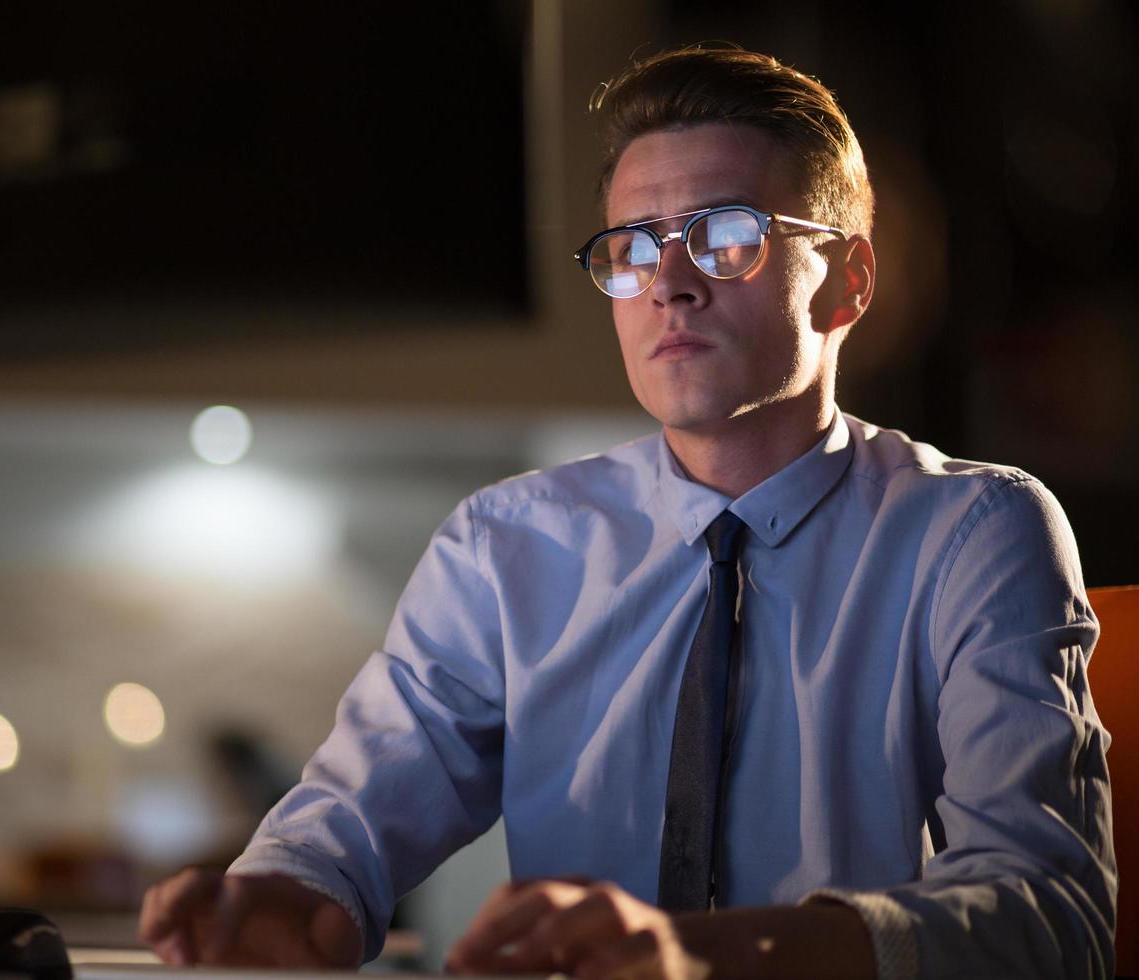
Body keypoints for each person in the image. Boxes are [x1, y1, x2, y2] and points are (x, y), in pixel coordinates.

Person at [138, 45, 1115, 979]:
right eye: (633, 248)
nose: (671, 284)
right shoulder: (503, 547)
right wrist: (289, 894)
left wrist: (708, 957)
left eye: (726, 235)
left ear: (848, 282)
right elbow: (347, 816)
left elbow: (1051, 914)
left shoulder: (973, 530)